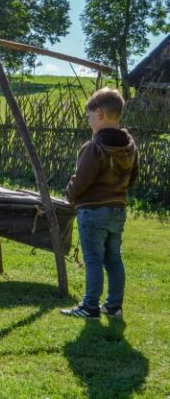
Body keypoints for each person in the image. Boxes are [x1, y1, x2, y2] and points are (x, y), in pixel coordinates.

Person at [61, 88, 139, 319]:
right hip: (118, 209)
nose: (88, 122)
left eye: (89, 117)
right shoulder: (130, 146)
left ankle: (90, 306)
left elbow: (81, 179)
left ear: (100, 114)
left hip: (93, 211)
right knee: (113, 258)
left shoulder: (94, 147)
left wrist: (70, 195)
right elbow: (133, 176)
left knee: (93, 259)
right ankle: (114, 306)